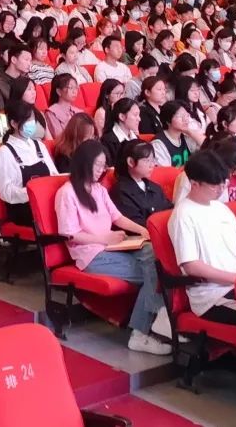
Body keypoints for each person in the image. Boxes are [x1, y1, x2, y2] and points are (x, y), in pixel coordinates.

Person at [55, 140, 168, 355]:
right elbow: (68, 234)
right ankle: (142, 332)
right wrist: (104, 239)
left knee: (155, 255)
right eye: (97, 165)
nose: (101, 170)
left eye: (104, 165)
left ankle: (159, 324)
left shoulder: (98, 189)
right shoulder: (67, 193)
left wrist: (144, 231)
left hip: (112, 248)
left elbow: (118, 217)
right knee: (156, 272)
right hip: (91, 255)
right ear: (83, 162)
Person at [169, 150, 236, 327]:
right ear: (194, 184)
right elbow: (191, 265)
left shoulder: (221, 209)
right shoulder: (183, 215)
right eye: (214, 185)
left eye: (223, 183)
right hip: (212, 296)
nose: (221, 189)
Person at [0, 99, 57, 226]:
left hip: (45, 201)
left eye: (33, 120)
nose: (31, 123)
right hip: (23, 209)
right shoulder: (4, 152)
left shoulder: (39, 145)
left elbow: (53, 175)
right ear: (13, 123)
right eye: (27, 121)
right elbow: (6, 192)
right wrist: (32, 193)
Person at [110, 140, 172, 228]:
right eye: (147, 160)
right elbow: (136, 224)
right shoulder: (120, 191)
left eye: (153, 160)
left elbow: (169, 210)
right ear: (131, 162)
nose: (152, 165)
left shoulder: (155, 187)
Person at [151, 100, 197, 168]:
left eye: (186, 115)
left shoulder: (185, 136)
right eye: (180, 116)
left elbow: (206, 147)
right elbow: (165, 172)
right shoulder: (158, 144)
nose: (185, 119)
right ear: (168, 120)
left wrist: (190, 132)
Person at [45, 73, 79, 140]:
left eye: (76, 87)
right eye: (70, 88)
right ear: (59, 91)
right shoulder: (51, 113)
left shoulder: (77, 111)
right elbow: (59, 138)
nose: (74, 91)